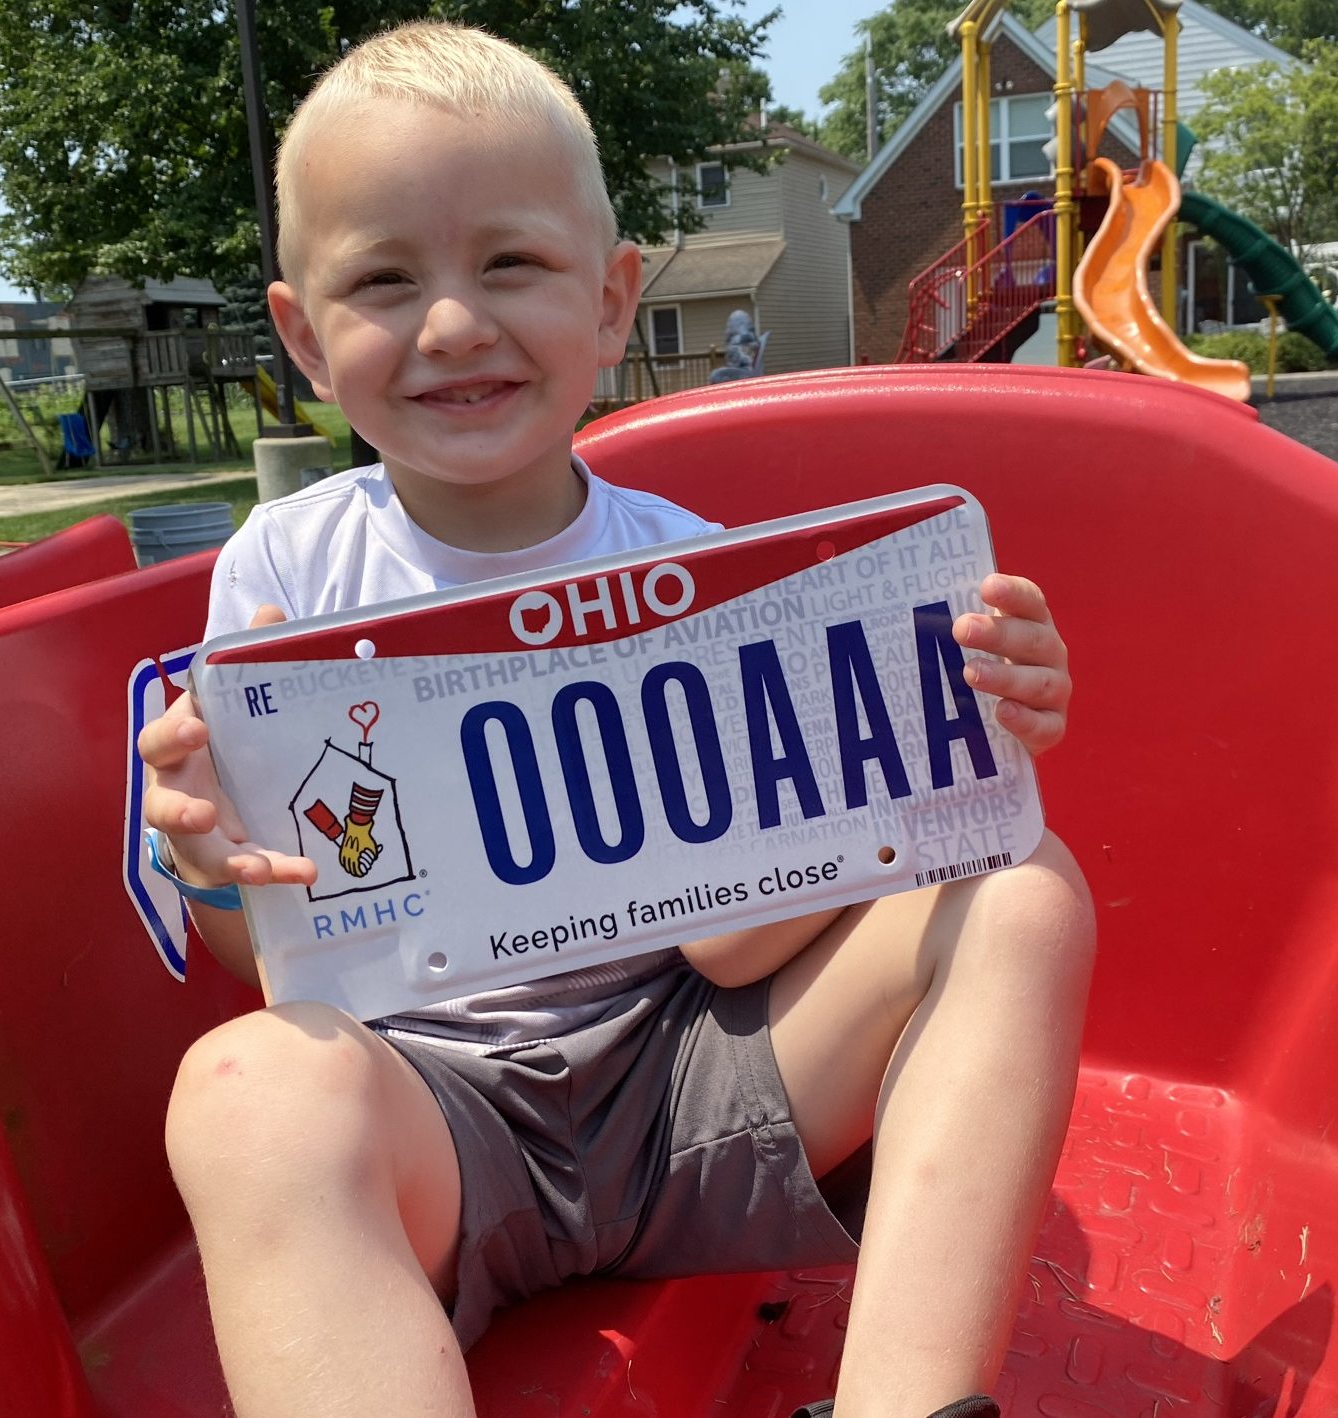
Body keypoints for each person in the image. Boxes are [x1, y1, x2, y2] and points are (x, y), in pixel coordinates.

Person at [136, 22, 1093, 1418]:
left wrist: (957, 739)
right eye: (385, 280)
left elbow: (730, 936)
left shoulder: (694, 567)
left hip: (691, 1088)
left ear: (610, 298)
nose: (453, 322)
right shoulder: (282, 579)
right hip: (435, 1123)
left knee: (1021, 886)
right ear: (302, 334)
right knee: (240, 1092)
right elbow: (277, 961)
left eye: (509, 263)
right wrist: (213, 861)